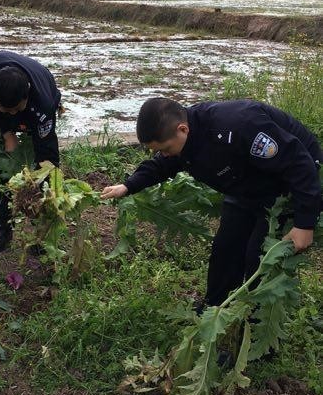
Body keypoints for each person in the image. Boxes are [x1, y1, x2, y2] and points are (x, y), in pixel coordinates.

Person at [101, 98, 322, 307]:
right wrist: (128, 185)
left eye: (165, 149)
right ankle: (215, 309)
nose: (165, 155)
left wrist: (304, 224)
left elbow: (300, 165)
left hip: (285, 184)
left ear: (182, 129)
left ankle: (255, 331)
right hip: (244, 185)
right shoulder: (183, 139)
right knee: (225, 250)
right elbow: (162, 165)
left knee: (259, 258)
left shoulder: (239, 125)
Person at [0, 50, 61, 252]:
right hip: (1, 112)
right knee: (0, 164)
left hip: (38, 103)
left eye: (16, 110)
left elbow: (47, 156)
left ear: (26, 93)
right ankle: (1, 228)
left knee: (46, 168)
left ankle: (42, 229)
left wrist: (37, 178)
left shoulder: (42, 104)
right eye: (6, 110)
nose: (12, 114)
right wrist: (6, 132)